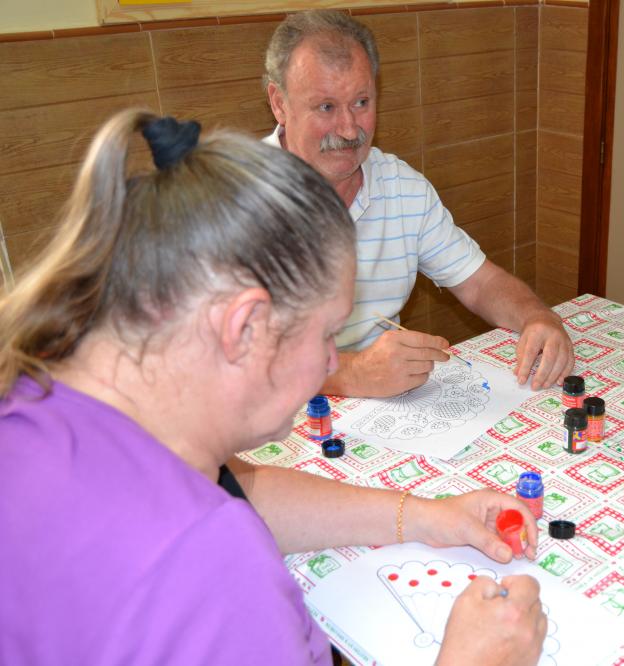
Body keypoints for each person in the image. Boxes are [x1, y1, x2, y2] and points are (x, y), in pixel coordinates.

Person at [0, 110, 546, 665]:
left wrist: (427, 514)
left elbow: (237, 489)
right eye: (328, 333)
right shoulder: (213, 571)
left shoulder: (46, 395)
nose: (335, 359)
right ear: (243, 328)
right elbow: (209, 531)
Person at [262, 10, 575, 398]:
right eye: (326, 107)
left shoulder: (401, 187)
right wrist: (350, 374)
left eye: (361, 102)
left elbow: (480, 284)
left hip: (385, 410)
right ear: (279, 103)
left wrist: (537, 317)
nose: (347, 129)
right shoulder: (230, 202)